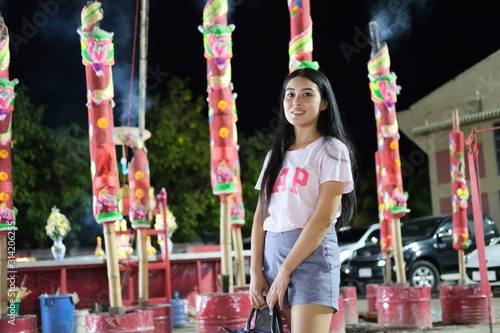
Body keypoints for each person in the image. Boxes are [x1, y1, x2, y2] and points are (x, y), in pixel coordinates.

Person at [250, 67, 357, 333]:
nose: (296, 101)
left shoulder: (332, 149)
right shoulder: (274, 156)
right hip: (272, 256)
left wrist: (286, 270)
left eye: (307, 94)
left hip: (312, 256)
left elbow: (322, 219)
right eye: (290, 94)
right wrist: (255, 271)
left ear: (323, 103)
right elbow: (261, 217)